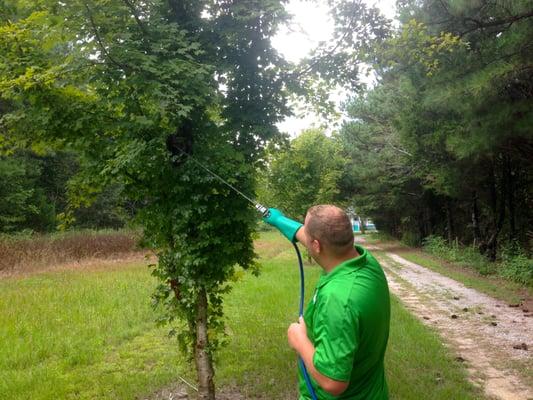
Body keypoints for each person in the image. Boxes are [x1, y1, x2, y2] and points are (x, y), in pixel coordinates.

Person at [264, 205, 390, 400]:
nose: (302, 233)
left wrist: (300, 340)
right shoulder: (367, 263)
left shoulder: (338, 300)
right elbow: (311, 238)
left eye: (306, 231)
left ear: (316, 245)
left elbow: (333, 382)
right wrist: (279, 220)